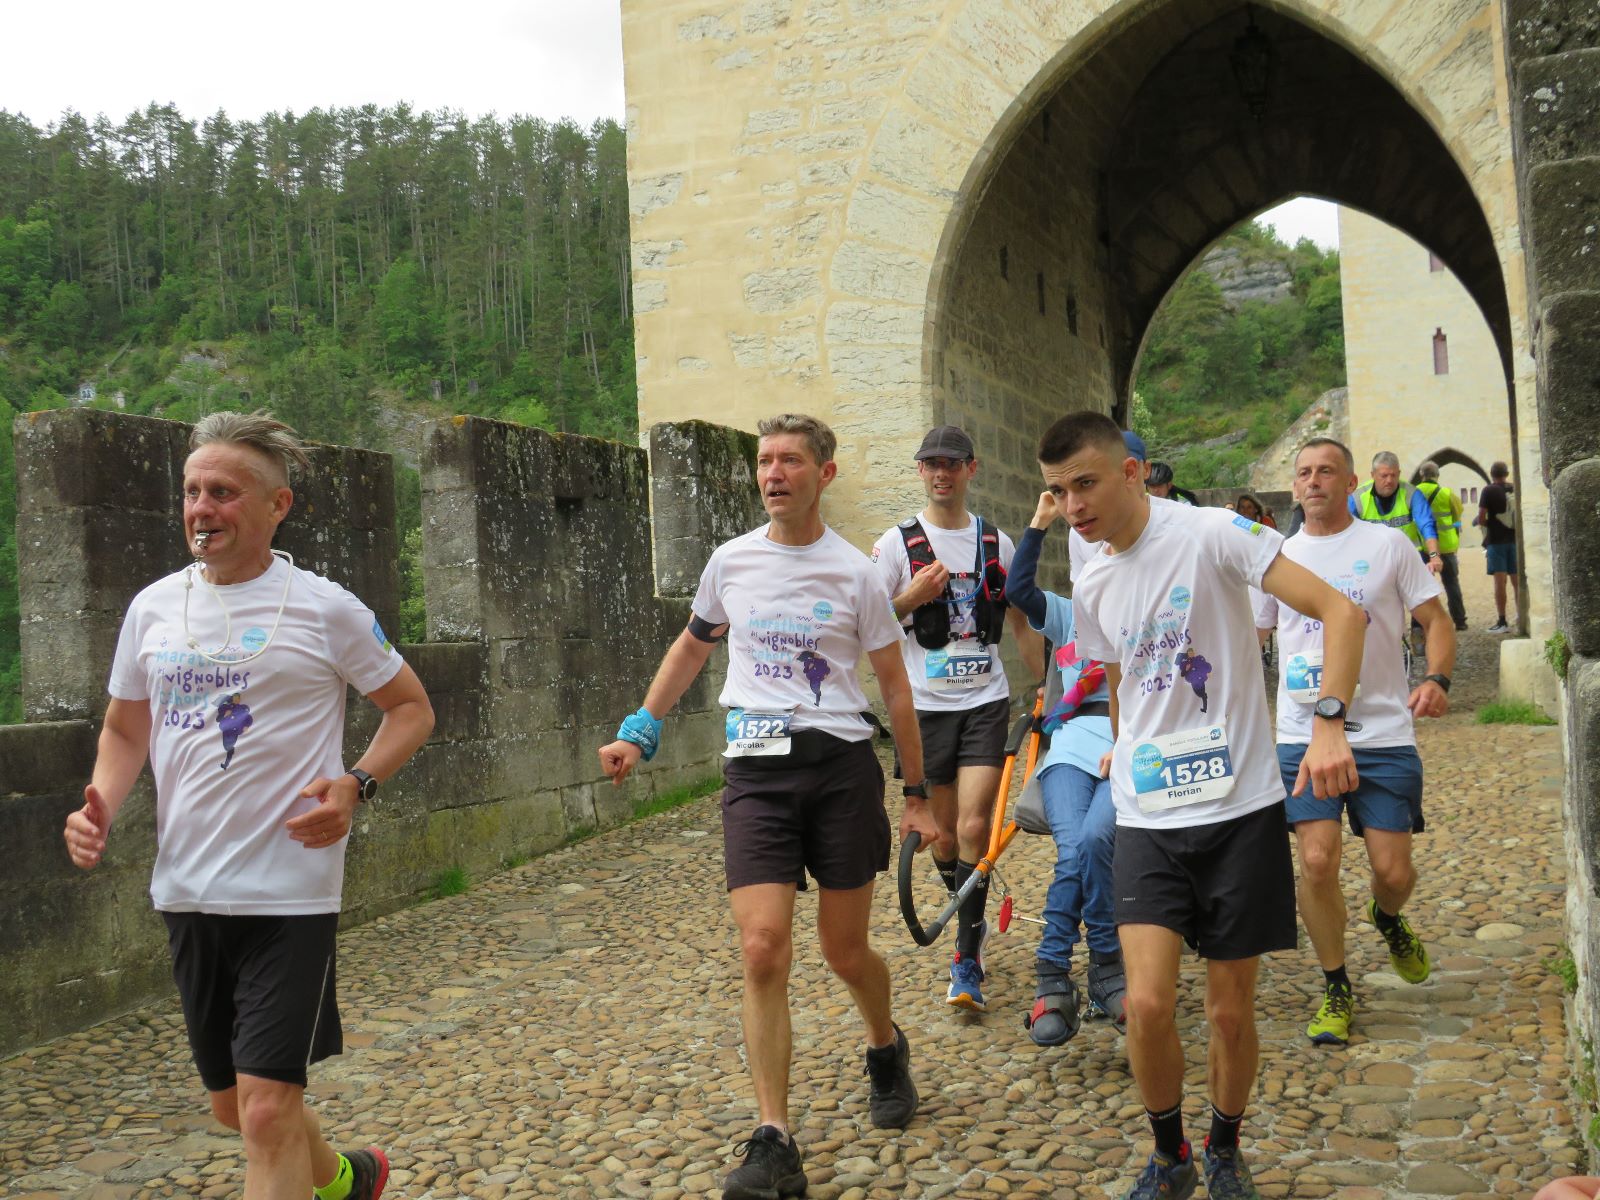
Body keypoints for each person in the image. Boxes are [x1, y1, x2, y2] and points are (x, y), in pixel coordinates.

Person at [63, 412, 436, 1200]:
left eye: (224, 493)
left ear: (277, 506)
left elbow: (412, 708)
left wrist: (356, 783)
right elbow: (126, 727)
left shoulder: (324, 607)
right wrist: (98, 803)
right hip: (189, 889)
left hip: (291, 892)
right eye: (193, 491)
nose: (203, 508)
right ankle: (342, 1179)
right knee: (237, 1110)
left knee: (268, 1113)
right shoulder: (154, 608)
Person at [597, 413, 934, 1200]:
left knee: (845, 953)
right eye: (764, 461)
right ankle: (774, 1137)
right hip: (756, 773)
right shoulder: (730, 562)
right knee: (760, 948)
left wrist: (917, 795)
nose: (773, 473)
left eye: (790, 460)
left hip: (840, 768)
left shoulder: (858, 574)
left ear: (826, 473)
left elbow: (893, 687)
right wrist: (639, 731)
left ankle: (885, 1046)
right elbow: (692, 646)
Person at [1038, 411, 1365, 1200]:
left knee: (1227, 1014)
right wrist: (1122, 746)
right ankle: (1169, 1156)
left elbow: (1342, 613)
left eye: (1085, 483)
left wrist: (1327, 724)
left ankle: (1223, 1144)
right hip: (1150, 814)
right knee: (1147, 1005)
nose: (1073, 504)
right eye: (1056, 491)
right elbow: (1118, 675)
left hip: (1240, 809)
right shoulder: (1090, 577)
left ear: (1129, 473)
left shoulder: (1214, 533)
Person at [1254, 437, 1455, 1047]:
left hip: (1385, 732)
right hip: (1301, 732)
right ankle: (1335, 983)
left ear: (1351, 485)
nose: (1313, 481)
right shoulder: (1277, 556)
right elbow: (1252, 638)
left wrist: (1438, 678)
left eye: (1327, 472)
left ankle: (1386, 916)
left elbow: (1437, 621)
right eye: (1304, 473)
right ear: (1294, 487)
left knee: (1393, 872)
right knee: (1316, 861)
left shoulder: (1387, 545)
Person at [871, 425, 1043, 1012]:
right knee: (943, 838)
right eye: (931, 464)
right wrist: (910, 600)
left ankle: (966, 959)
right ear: (920, 472)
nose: (941, 473)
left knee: (974, 829)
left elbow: (1021, 621)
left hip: (984, 702)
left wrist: (1046, 688)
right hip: (923, 709)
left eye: (952, 463)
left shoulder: (997, 541)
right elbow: (867, 628)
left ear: (972, 469)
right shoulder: (895, 546)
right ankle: (968, 906)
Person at [1004, 488, 1125, 1045]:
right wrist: (1038, 522)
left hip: (1131, 746)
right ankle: (1080, 970)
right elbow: (1017, 590)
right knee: (1077, 846)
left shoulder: (1145, 609)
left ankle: (1079, 969)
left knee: (1098, 839)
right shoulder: (1066, 614)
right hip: (1073, 745)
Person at [1349, 451, 1445, 578]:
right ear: (1373, 475)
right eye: (1384, 476)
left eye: (1393, 475)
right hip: (1374, 560)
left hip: (1410, 558)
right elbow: (1344, 530)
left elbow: (1426, 524)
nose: (1389, 480)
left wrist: (1434, 556)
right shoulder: (1357, 498)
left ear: (1399, 474)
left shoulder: (1412, 494)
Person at [1413, 461, 1468, 630]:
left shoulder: (1414, 493)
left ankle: (1421, 623)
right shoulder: (1447, 493)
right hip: (1446, 546)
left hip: (1423, 547)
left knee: (1422, 587)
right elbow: (1458, 513)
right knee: (1452, 584)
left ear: (1422, 475)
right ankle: (1460, 621)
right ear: (1437, 475)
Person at [1476, 460, 1519, 633]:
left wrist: (1489, 524)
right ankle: (1521, 616)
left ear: (1492, 474)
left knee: (1499, 582)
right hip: (1514, 540)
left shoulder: (1488, 490)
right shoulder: (1514, 488)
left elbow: (1481, 517)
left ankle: (1502, 621)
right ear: (1506, 473)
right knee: (1517, 582)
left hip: (1496, 541)